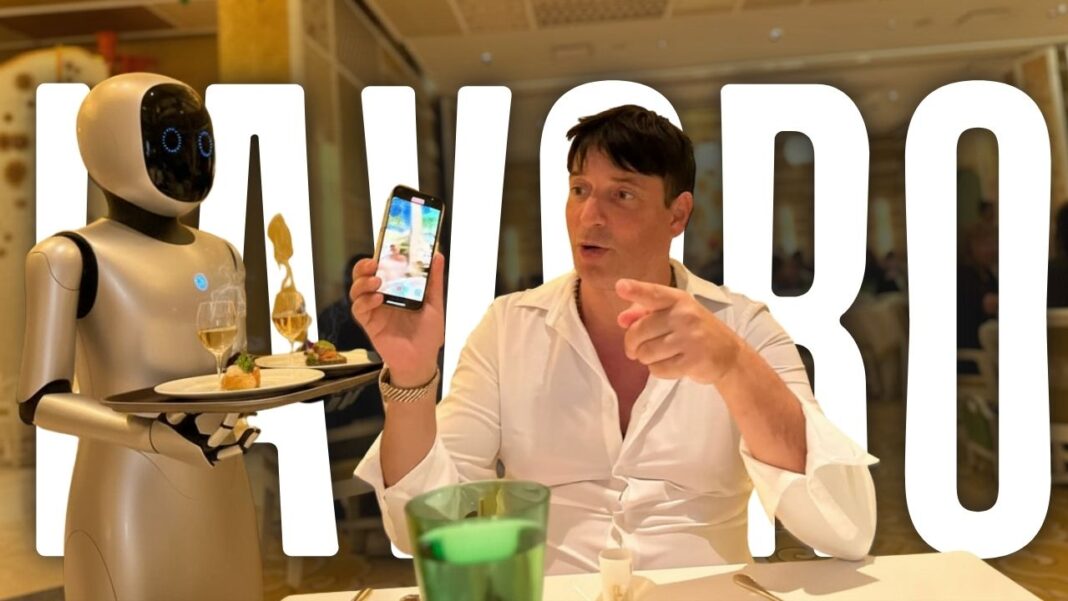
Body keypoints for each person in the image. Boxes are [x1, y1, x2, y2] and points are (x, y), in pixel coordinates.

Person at [350, 105, 878, 574]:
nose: (589, 216)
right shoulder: (509, 327)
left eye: (621, 194)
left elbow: (846, 528)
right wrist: (412, 373)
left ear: (678, 214)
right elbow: (426, 531)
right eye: (580, 190)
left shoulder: (741, 327)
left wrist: (732, 366)